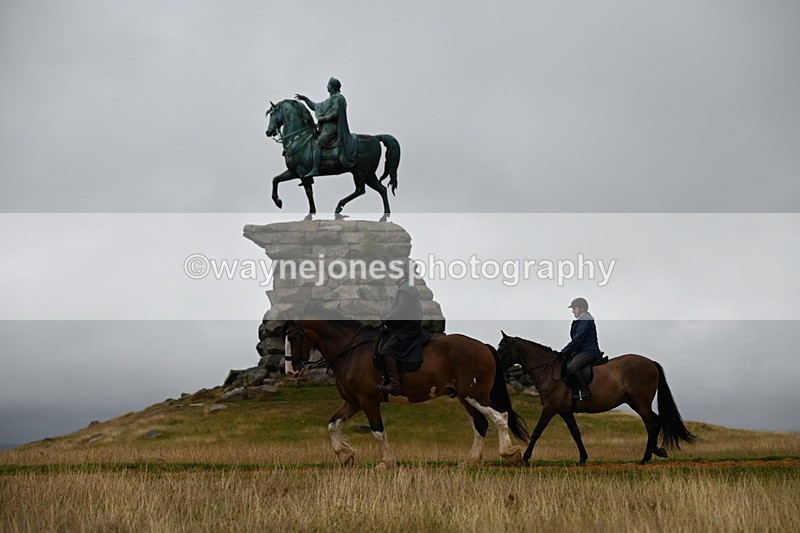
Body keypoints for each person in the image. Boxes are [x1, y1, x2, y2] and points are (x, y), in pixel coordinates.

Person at [378, 264, 430, 395]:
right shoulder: (407, 288)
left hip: (406, 330)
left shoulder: (405, 289)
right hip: (405, 327)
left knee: (387, 350)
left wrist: (387, 319)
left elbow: (401, 309)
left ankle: (394, 385)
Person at [295, 77, 357, 179]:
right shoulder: (329, 100)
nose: (326, 86)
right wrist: (305, 99)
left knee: (317, 143)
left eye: (328, 84)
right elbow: (315, 106)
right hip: (325, 129)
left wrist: (323, 119)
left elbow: (335, 114)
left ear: (332, 87)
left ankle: (315, 169)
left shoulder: (338, 98)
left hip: (332, 130)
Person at [561, 297, 602, 401]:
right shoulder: (581, 321)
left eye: (574, 308)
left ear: (582, 309)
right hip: (582, 351)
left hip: (589, 351)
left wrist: (564, 351)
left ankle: (585, 392)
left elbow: (578, 339)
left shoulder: (585, 320)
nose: (573, 311)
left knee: (572, 367)